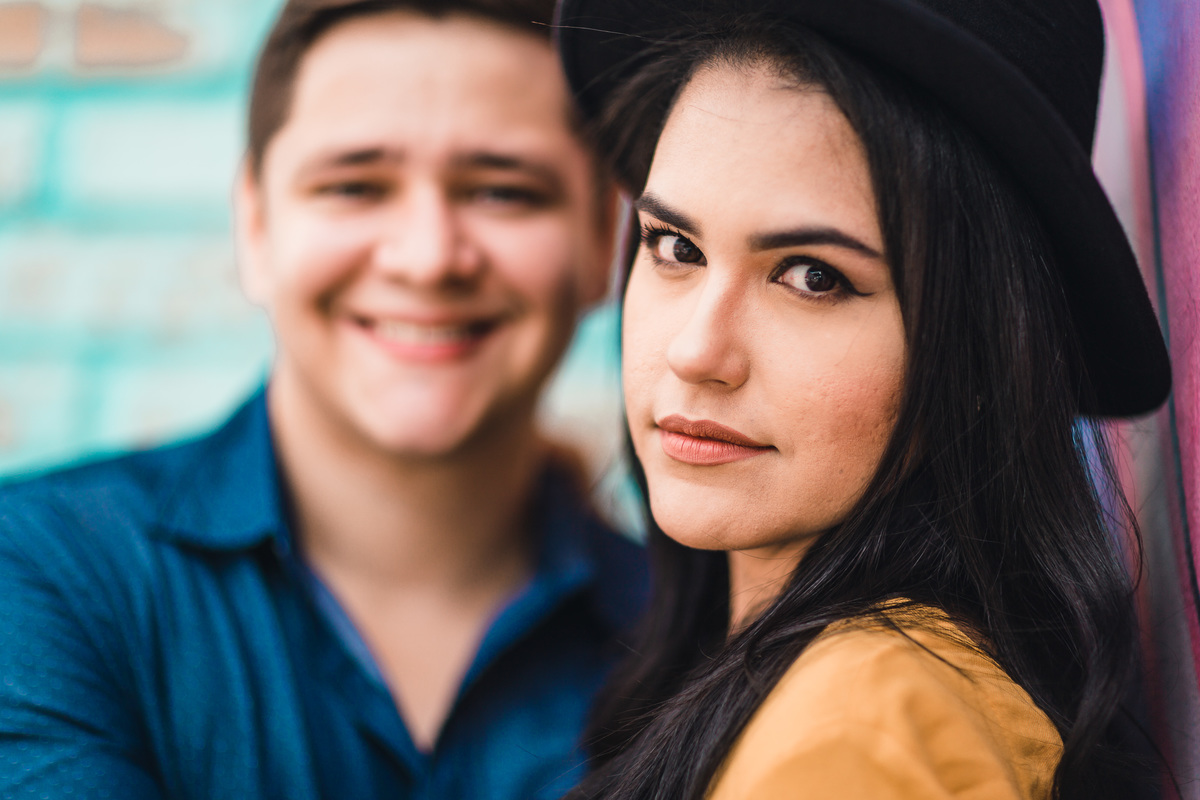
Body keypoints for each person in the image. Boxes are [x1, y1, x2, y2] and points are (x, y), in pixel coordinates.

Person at [0, 1, 644, 798]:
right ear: (255, 223)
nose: (428, 257)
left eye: (503, 192)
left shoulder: (702, 647)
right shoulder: (38, 575)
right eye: (355, 186)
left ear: (602, 238)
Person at [552, 0, 1171, 798]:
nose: (696, 350)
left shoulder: (864, 733)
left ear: (983, 352)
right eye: (677, 247)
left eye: (814, 276)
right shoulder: (807, 681)